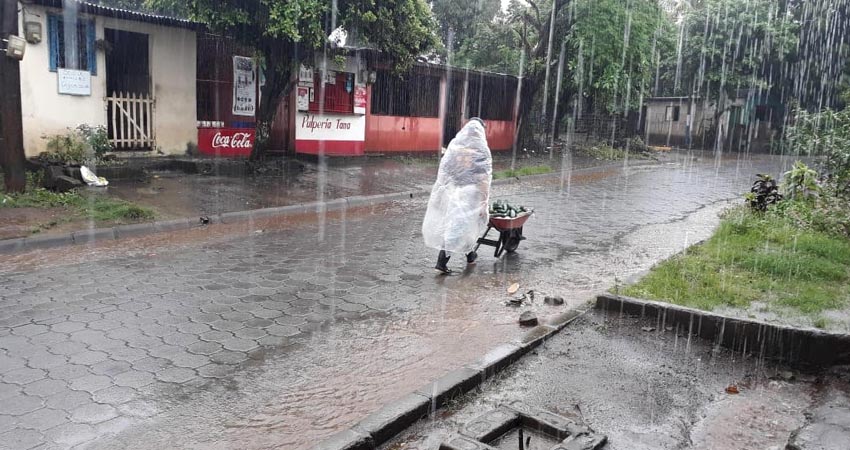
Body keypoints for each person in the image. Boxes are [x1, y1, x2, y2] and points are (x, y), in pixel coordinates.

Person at [422, 118, 492, 274]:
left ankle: (471, 255)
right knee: (457, 228)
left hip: (455, 193)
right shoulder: (482, 151)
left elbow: (446, 170)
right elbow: (484, 179)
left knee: (466, 225)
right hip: (472, 195)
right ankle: (441, 263)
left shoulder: (456, 147)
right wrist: (484, 202)